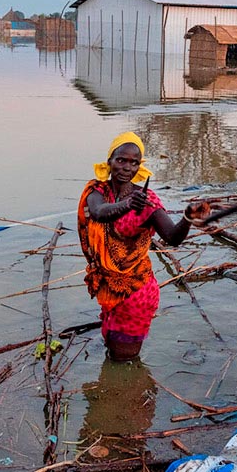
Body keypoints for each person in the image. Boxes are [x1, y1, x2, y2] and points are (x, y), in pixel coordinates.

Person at [77, 132, 209, 362]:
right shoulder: (96, 191)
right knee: (113, 350)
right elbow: (98, 213)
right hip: (109, 288)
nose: (127, 167)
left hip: (136, 293)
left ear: (140, 166)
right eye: (121, 160)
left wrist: (188, 219)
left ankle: (133, 393)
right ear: (109, 161)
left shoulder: (147, 201)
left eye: (134, 162)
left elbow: (172, 237)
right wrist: (127, 204)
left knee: (123, 362)